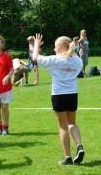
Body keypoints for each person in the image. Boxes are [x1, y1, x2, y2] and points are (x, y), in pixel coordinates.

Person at [32, 34, 85, 166]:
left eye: (56, 47)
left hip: (58, 95)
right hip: (72, 94)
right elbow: (75, 62)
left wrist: (37, 44)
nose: (54, 50)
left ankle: (67, 157)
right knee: (72, 122)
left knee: (63, 126)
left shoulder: (55, 60)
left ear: (62, 47)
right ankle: (79, 145)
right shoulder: (77, 60)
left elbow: (35, 58)